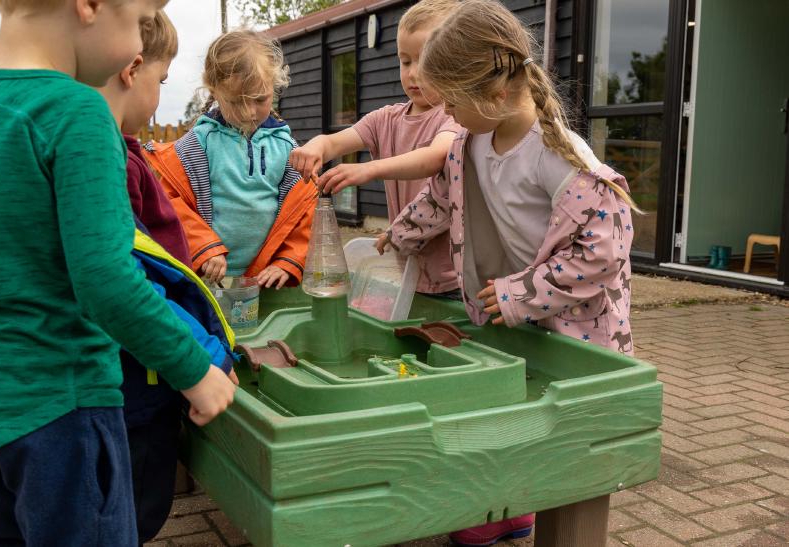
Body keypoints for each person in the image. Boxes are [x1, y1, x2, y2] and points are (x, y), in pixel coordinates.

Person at [0, 1, 235, 545]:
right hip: (61, 410)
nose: (141, 41)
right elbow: (107, 281)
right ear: (89, 6)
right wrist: (195, 372)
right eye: (140, 20)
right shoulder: (76, 112)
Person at [381, 0, 640, 544]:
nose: (448, 115)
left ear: (494, 94)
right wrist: (397, 236)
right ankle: (507, 507)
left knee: (573, 439)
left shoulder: (560, 157)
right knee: (513, 413)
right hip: (516, 315)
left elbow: (603, 252)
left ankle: (565, 525)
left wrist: (525, 292)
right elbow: (439, 199)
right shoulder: (471, 143)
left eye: (452, 101)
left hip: (578, 329)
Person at [97, 10, 238, 543]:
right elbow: (126, 279)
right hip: (137, 377)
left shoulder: (124, 149)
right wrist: (206, 355)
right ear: (132, 69)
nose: (160, 98)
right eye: (161, 81)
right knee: (131, 510)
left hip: (136, 369)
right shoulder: (104, 156)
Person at [290, 0, 462, 297]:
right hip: (407, 273)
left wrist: (367, 169)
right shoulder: (386, 118)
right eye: (406, 61)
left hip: (453, 281)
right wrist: (315, 147)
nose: (413, 74)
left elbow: (435, 157)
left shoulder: (457, 115)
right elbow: (333, 142)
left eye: (425, 60)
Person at [144, 28, 317, 289]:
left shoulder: (287, 149)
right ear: (214, 89)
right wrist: (204, 247)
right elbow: (170, 205)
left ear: (275, 85)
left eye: (259, 99)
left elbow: (304, 214)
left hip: (265, 282)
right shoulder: (197, 146)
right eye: (237, 101)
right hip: (207, 278)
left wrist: (287, 260)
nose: (249, 112)